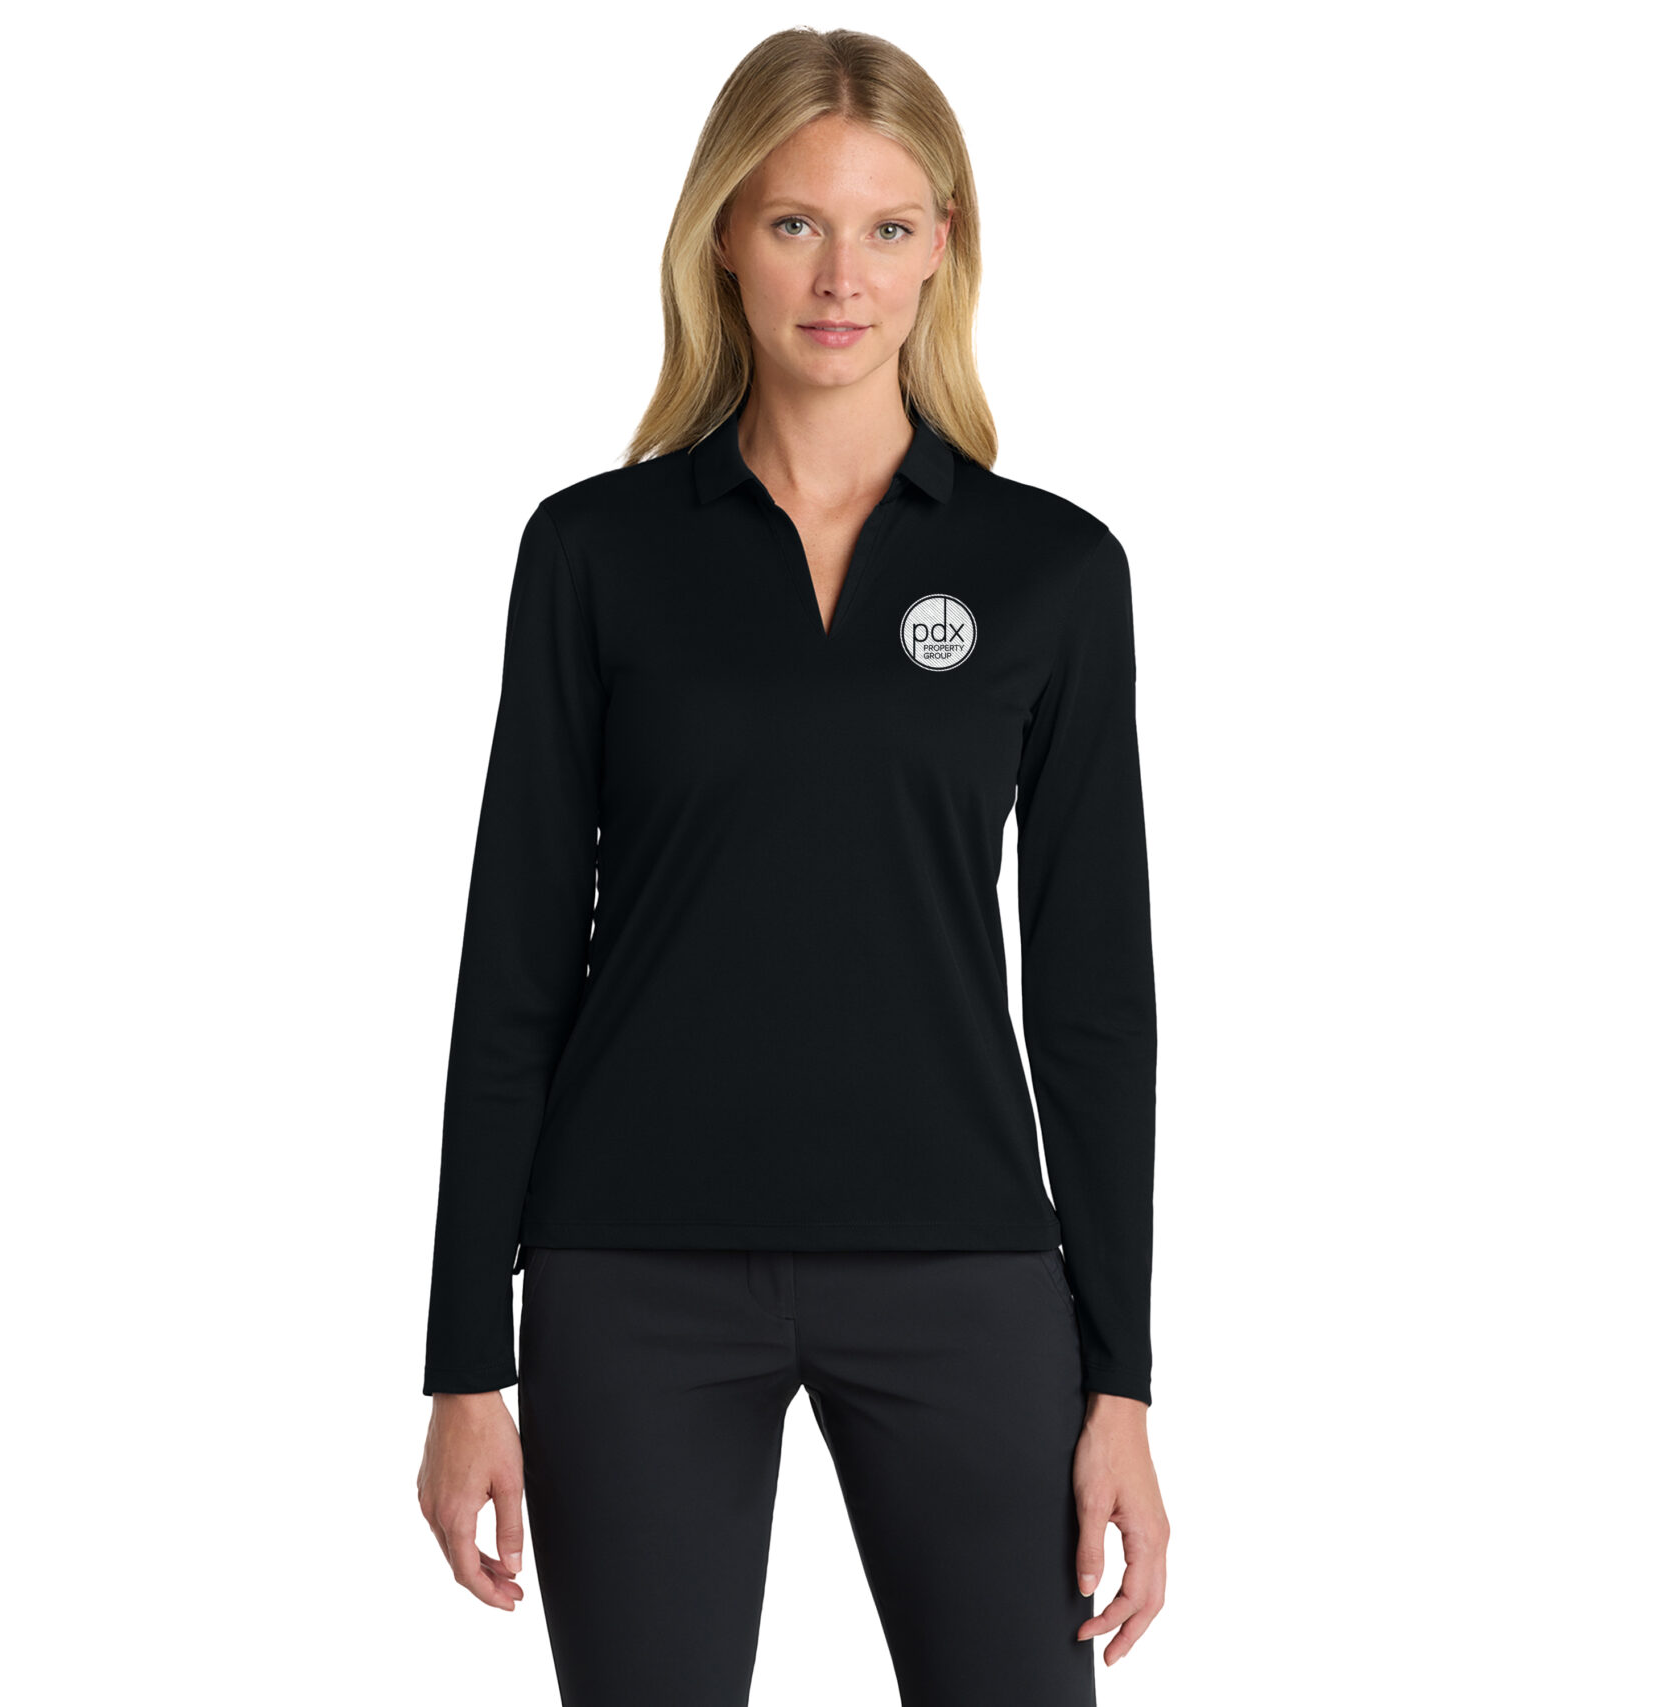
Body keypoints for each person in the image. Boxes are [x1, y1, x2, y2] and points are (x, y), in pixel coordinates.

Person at [415, 26, 1167, 1703]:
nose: (843, 278)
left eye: (888, 228)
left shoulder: (1050, 571)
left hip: (964, 1267)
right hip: (633, 1273)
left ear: (944, 247)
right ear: (723, 241)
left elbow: (1095, 1003)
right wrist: (466, 1359)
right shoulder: (595, 553)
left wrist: (1120, 1380)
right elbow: (514, 959)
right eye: (795, 224)